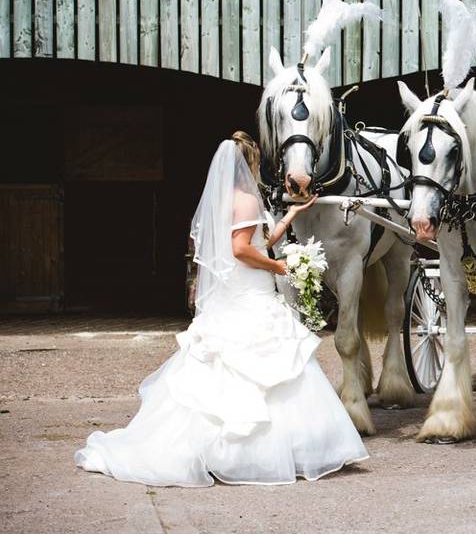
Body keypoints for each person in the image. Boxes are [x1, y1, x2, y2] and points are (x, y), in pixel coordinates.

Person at [75, 131, 368, 487]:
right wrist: (279, 267)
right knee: (270, 364)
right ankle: (262, 451)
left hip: (241, 290)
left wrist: (291, 215)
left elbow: (260, 239)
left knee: (238, 369)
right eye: (258, 162)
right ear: (250, 163)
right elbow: (241, 249)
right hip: (251, 292)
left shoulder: (233, 199)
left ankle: (256, 449)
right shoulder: (245, 199)